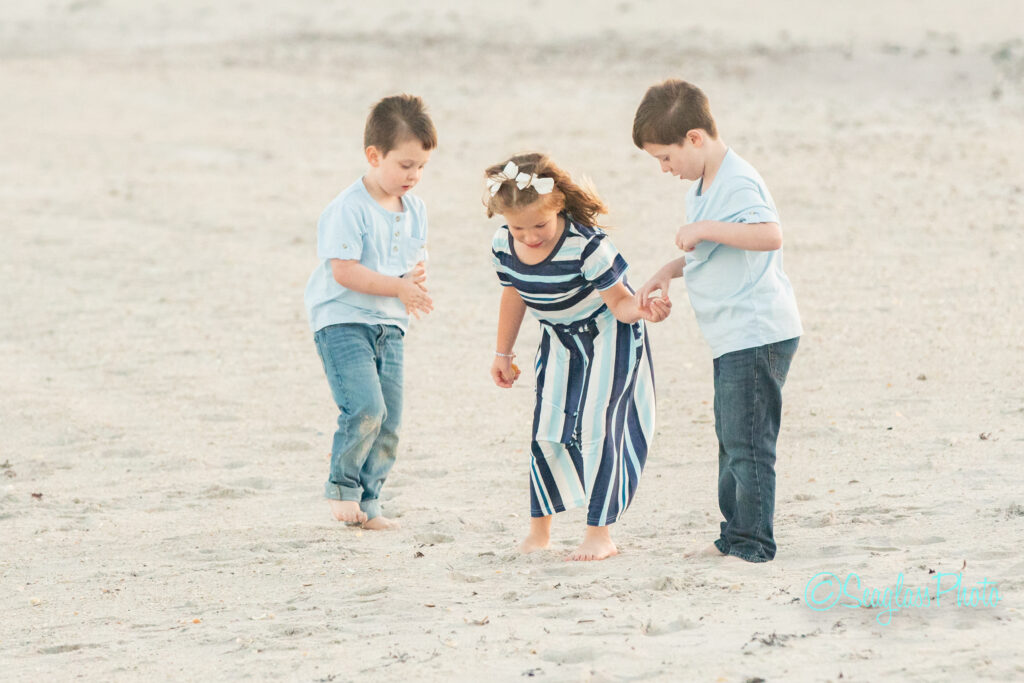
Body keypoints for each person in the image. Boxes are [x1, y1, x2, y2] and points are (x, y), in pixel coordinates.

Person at [632, 79, 802, 562]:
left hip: (756, 331)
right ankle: (734, 535)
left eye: (665, 157)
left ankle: (752, 544)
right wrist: (668, 270)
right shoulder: (704, 185)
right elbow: (715, 251)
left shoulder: (738, 179)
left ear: (694, 138)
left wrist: (703, 227)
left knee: (748, 443)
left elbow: (769, 235)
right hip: (731, 335)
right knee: (731, 439)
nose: (664, 169)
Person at [487, 153, 671, 561]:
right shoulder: (504, 245)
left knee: (599, 426)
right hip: (559, 340)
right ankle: (540, 531)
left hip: (610, 335)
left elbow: (621, 304)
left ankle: (598, 532)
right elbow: (513, 292)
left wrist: (643, 310)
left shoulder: (587, 245)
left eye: (540, 225)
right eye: (519, 228)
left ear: (558, 206)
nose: (530, 237)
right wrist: (503, 352)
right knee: (547, 426)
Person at [303, 94, 436, 530]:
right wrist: (398, 287)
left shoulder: (415, 210)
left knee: (390, 421)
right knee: (365, 407)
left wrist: (414, 284)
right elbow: (344, 272)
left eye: (420, 166)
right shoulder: (348, 208)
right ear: (374, 156)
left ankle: (370, 502)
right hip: (343, 320)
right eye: (404, 165)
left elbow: (411, 262)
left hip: (389, 325)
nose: (413, 175)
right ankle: (341, 488)